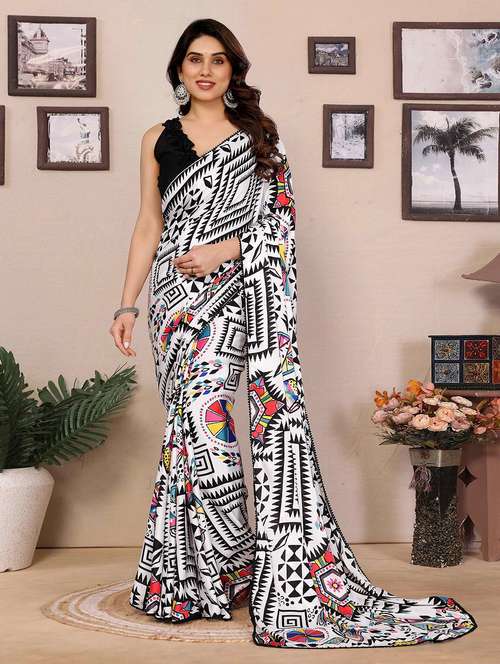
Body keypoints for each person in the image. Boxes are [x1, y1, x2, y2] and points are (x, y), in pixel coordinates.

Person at [109, 17, 477, 649]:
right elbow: (148, 224)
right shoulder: (157, 138)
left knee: (216, 429)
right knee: (190, 434)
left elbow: (279, 223)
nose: (205, 70)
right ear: (178, 70)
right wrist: (126, 304)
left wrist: (223, 251)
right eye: (194, 59)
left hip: (240, 296)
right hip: (173, 303)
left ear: (233, 70)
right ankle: (198, 579)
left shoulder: (258, 138)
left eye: (217, 59)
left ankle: (227, 572)